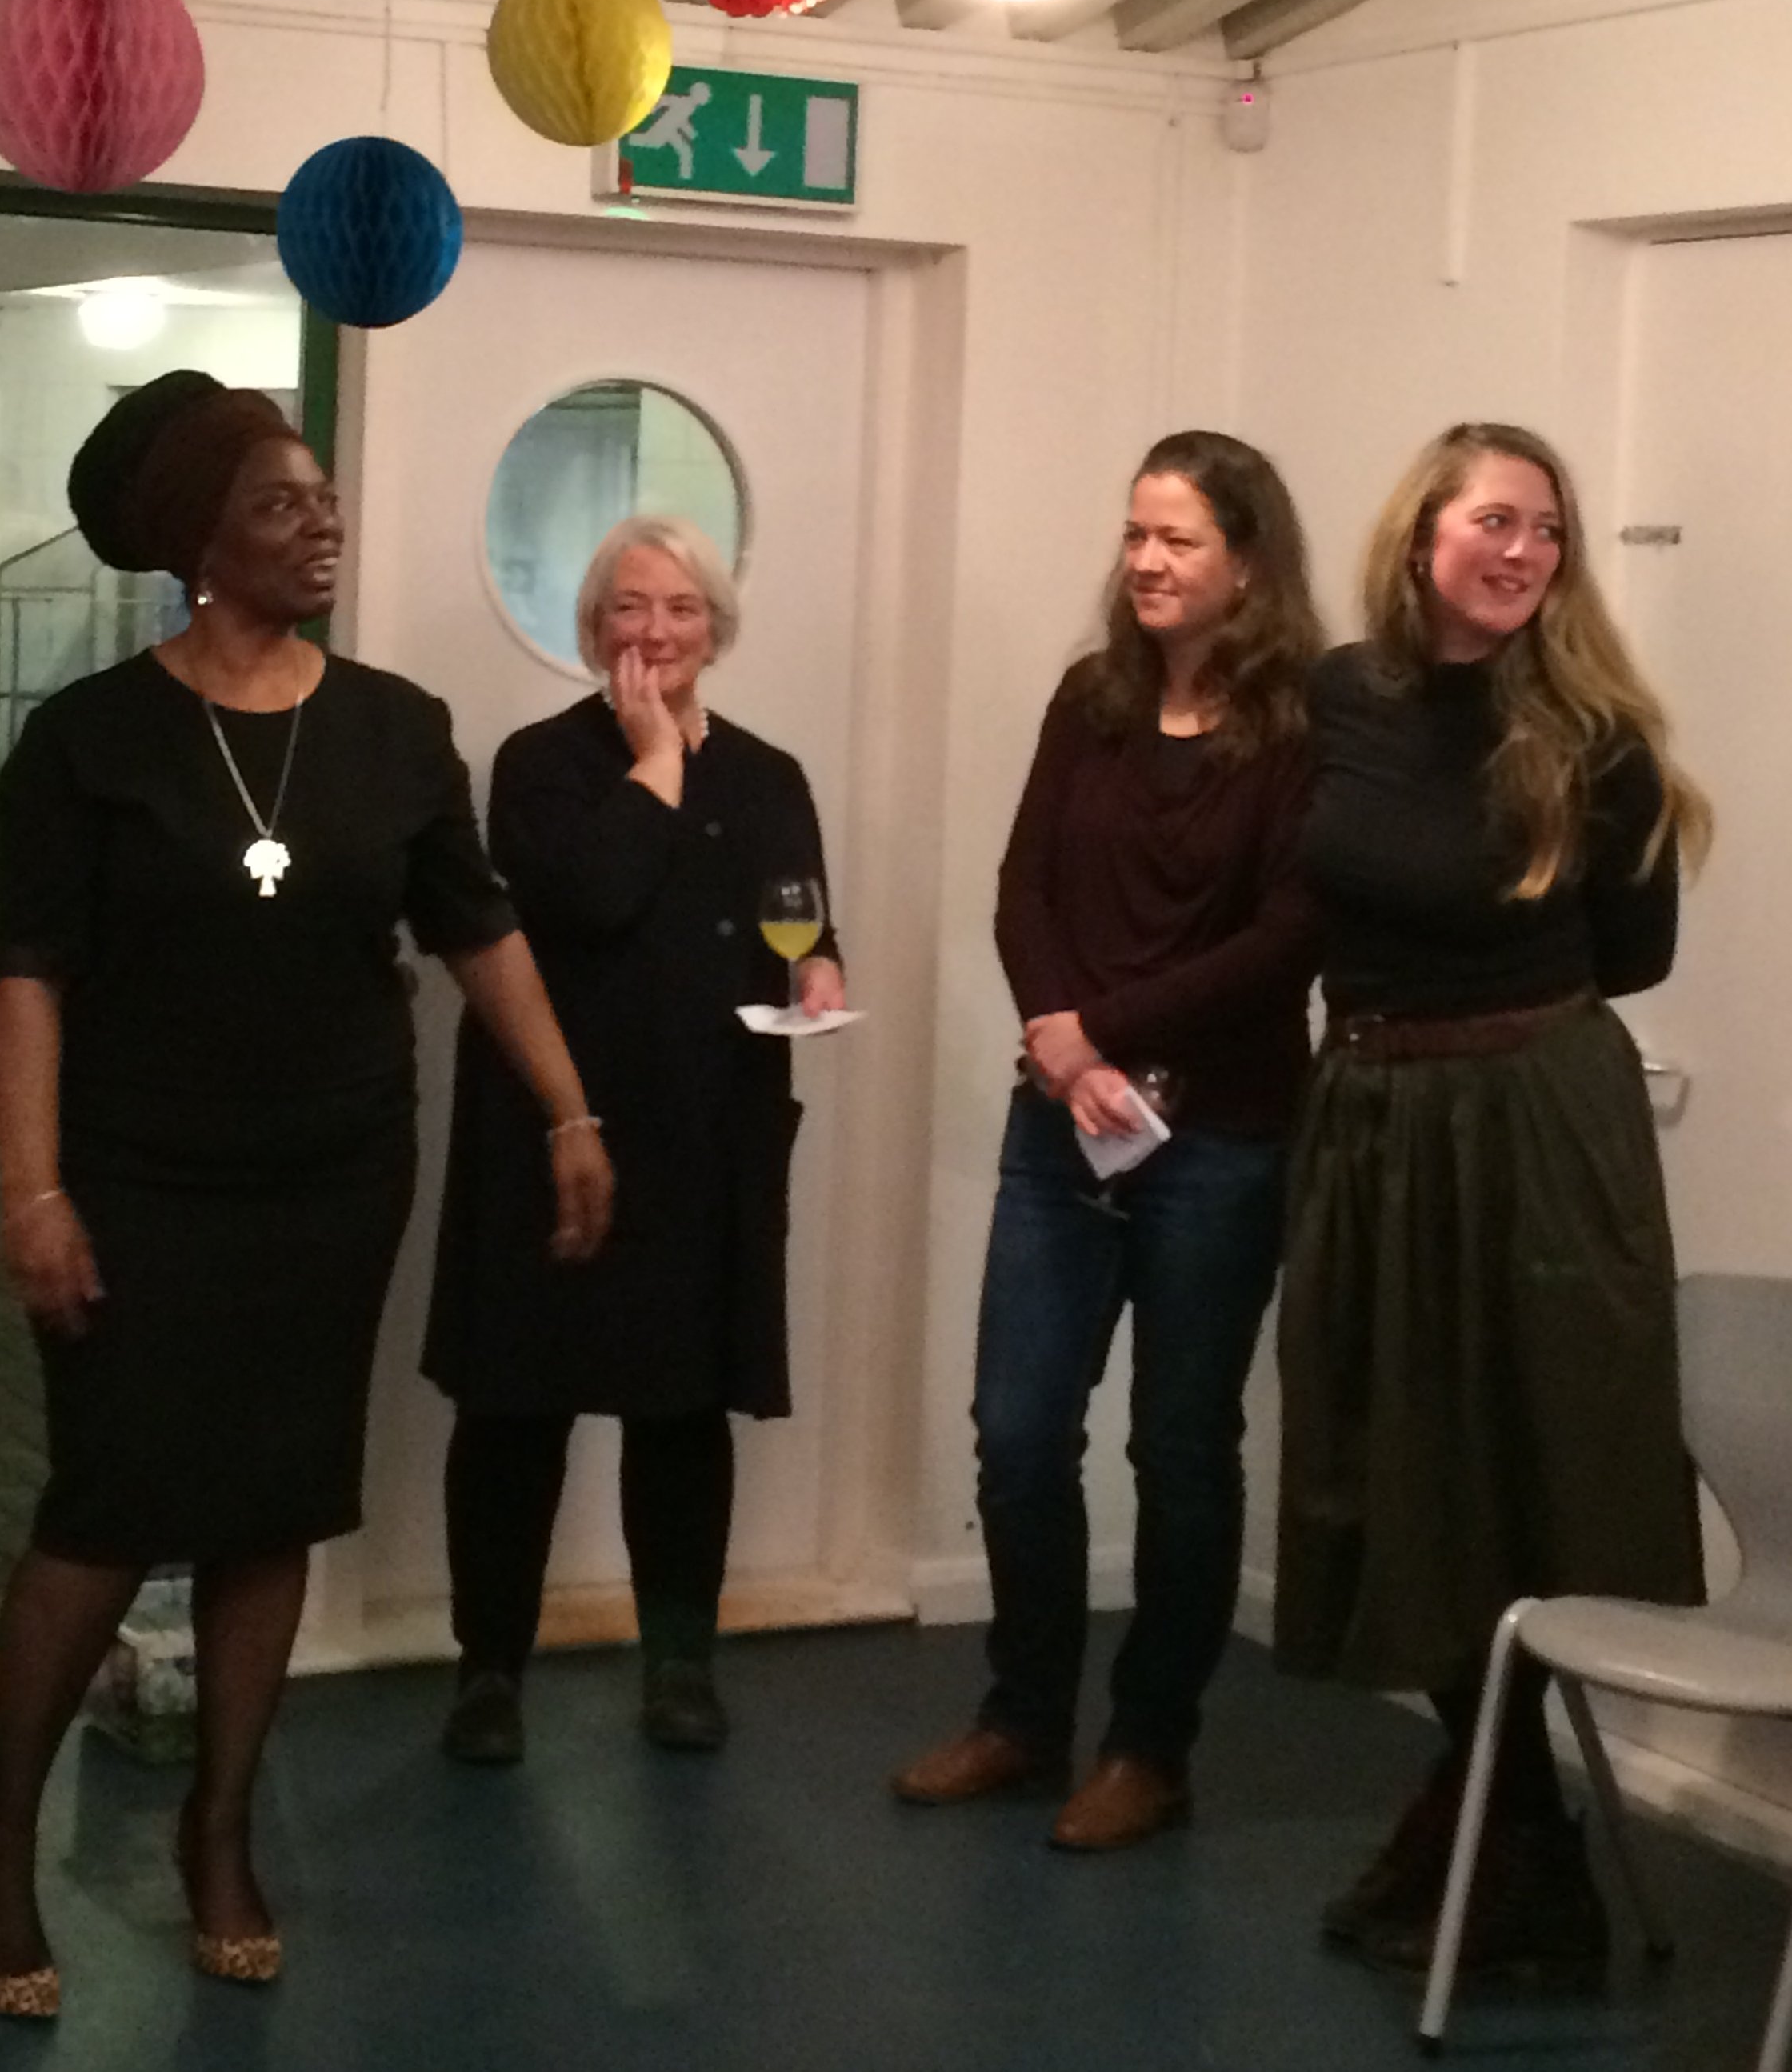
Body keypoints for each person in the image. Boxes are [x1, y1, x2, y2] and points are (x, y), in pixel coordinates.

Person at [0, 371, 611, 2018]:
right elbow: (26, 973)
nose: (316, 524)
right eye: (275, 504)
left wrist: (569, 1107)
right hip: (137, 1177)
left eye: (320, 498)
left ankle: (219, 1831)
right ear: (193, 541)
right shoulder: (89, 738)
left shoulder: (393, 725)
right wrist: (29, 1187)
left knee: (271, 1501)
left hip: (330, 1175)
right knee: (103, 1508)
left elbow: (477, 928)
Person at [1278, 420, 1710, 1980]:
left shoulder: (1592, 732)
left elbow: (1633, 950)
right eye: (1490, 520)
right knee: (1400, 1475)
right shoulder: (1345, 691)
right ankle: (1502, 1823)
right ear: (1419, 536)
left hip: (1532, 1120)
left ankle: (1495, 1843)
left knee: (1528, 1474)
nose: (1518, 550)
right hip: (1373, 1116)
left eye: (1543, 528)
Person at [893, 432, 1322, 1848]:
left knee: (1181, 1447)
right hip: (1062, 1126)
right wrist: (1059, 1034)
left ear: (1247, 562)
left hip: (1222, 1137)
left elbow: (1288, 939)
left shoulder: (1306, 726)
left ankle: (1150, 1745)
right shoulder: (1093, 701)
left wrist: (1106, 1031)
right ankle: (1023, 1717)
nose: (1144, 560)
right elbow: (1022, 881)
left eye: (1178, 540)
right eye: (1136, 533)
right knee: (1018, 1432)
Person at [423, 514, 844, 1760]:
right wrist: (657, 761)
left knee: (679, 1413)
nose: (653, 632)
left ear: (717, 625)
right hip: (556, 1129)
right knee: (514, 1409)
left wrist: (819, 970)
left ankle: (678, 1663)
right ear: (592, 622)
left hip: (708, 1131)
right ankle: (488, 1671)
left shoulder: (769, 774)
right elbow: (594, 896)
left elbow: (805, 919)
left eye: (680, 610)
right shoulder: (539, 763)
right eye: (628, 607)